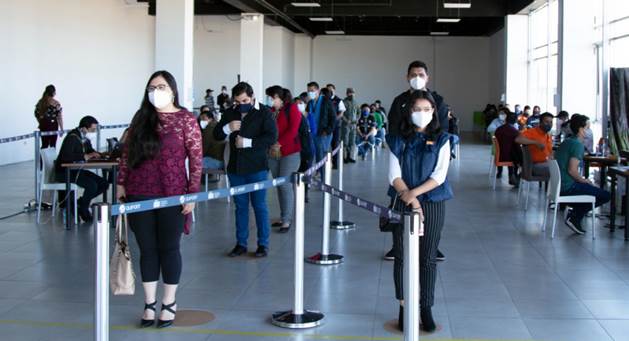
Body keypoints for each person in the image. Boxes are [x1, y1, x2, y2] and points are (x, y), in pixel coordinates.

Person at [117, 71, 201, 329]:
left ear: (172, 90)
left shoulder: (185, 119)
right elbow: (126, 155)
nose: (156, 91)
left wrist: (192, 193)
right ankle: (150, 302)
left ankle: (169, 301)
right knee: (147, 249)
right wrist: (121, 184)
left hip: (172, 193)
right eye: (152, 87)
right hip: (139, 192)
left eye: (161, 86)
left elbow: (196, 159)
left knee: (169, 248)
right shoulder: (141, 118)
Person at [388, 90, 452, 333]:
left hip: (433, 201)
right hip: (403, 202)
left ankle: (426, 308)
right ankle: (404, 306)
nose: (422, 114)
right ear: (408, 112)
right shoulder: (397, 139)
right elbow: (394, 174)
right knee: (402, 257)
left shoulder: (443, 139)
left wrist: (414, 195)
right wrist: (413, 202)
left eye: (427, 110)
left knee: (427, 258)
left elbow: (439, 175)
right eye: (417, 110)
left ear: (434, 112)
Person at [386, 60, 448, 262]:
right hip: (405, 157)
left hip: (428, 156)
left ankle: (431, 247)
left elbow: (443, 129)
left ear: (427, 77)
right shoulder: (399, 101)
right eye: (413, 75)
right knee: (400, 205)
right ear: (407, 77)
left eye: (421, 75)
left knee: (432, 214)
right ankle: (398, 247)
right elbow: (393, 127)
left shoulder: (437, 100)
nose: (417, 78)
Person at [214, 82, 278, 258]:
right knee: (240, 207)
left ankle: (263, 244)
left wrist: (248, 142)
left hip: (257, 167)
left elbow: (272, 137)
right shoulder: (230, 112)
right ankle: (241, 243)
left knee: (260, 206)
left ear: (252, 96)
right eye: (237, 101)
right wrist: (228, 128)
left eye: (245, 100)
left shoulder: (264, 112)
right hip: (235, 168)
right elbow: (216, 135)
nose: (241, 104)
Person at [555, 114, 610, 234]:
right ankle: (575, 216)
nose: (589, 131)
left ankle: (574, 214)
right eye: (587, 128)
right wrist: (584, 180)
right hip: (568, 187)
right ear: (581, 129)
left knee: (592, 190)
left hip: (559, 186)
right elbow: (572, 170)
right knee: (605, 195)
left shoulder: (568, 141)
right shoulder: (577, 145)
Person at [54, 115, 108, 222]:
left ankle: (80, 203)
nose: (93, 132)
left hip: (77, 170)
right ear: (84, 128)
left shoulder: (84, 138)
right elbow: (66, 157)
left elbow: (89, 150)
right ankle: (84, 210)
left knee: (103, 183)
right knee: (91, 185)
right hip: (66, 172)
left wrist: (99, 155)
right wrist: (84, 157)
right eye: (92, 130)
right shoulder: (72, 138)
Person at [265, 86, 302, 234]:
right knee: (279, 184)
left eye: (271, 97)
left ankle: (287, 220)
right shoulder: (272, 112)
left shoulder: (292, 108)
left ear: (278, 97)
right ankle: (283, 216)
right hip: (273, 153)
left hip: (289, 152)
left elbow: (293, 131)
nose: (269, 100)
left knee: (285, 185)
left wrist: (278, 144)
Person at [306, 82, 336, 177]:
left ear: (318, 91)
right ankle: (314, 176)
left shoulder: (326, 101)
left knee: (321, 156)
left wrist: (327, 131)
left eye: (312, 90)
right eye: (308, 91)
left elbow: (333, 117)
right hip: (312, 133)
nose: (310, 92)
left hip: (324, 133)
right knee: (311, 156)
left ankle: (324, 180)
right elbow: (306, 116)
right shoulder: (310, 103)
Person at [515, 112, 554, 177]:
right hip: (534, 166)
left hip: (546, 164)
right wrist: (536, 142)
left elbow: (550, 153)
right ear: (540, 122)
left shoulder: (548, 135)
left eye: (551, 122)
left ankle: (550, 187)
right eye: (546, 122)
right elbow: (518, 139)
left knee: (562, 168)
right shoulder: (532, 132)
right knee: (557, 172)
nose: (549, 124)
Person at [494, 113, 522, 186]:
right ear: (516, 121)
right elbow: (517, 147)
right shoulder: (515, 132)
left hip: (499, 155)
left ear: (506, 119)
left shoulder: (498, 129)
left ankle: (511, 175)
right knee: (523, 158)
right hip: (507, 157)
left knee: (514, 153)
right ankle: (514, 176)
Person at [326, 84, 346, 168]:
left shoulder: (338, 100)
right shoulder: (324, 99)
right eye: (328, 90)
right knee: (326, 145)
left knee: (335, 144)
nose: (330, 91)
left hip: (335, 126)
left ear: (334, 90)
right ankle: (325, 163)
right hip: (326, 126)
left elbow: (341, 113)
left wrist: (334, 120)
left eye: (331, 90)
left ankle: (335, 163)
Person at [342, 88, 359, 163]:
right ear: (347, 93)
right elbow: (341, 113)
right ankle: (344, 157)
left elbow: (359, 112)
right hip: (346, 125)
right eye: (349, 93)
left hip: (353, 125)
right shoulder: (343, 102)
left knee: (352, 142)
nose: (351, 94)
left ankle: (350, 157)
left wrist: (357, 119)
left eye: (352, 93)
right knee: (345, 141)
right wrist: (346, 120)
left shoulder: (355, 102)